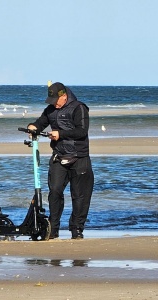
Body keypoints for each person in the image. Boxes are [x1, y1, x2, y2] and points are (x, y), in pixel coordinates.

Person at [27, 82, 94, 239]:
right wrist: (32, 127)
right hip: (59, 156)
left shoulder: (79, 108)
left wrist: (60, 134)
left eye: (55, 100)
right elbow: (40, 123)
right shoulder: (51, 109)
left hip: (79, 158)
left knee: (80, 196)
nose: (53, 104)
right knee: (55, 192)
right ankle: (53, 228)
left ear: (64, 96)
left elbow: (82, 131)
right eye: (51, 100)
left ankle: (76, 229)